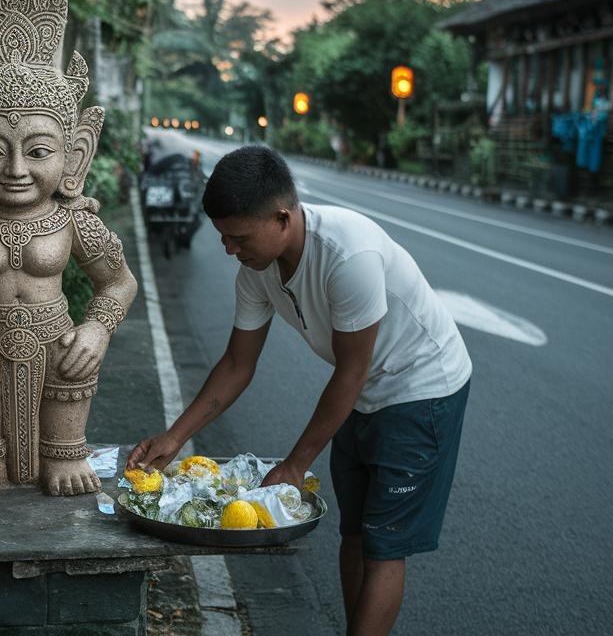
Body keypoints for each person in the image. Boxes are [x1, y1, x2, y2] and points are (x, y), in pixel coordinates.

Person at [128, 146, 471, 635]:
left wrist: (294, 465)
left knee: (383, 546)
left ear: (282, 218)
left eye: (238, 237)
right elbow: (237, 364)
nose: (229, 248)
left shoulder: (347, 255)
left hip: (421, 389)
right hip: (362, 394)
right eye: (223, 237)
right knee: (353, 532)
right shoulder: (256, 268)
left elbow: (351, 372)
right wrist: (175, 436)